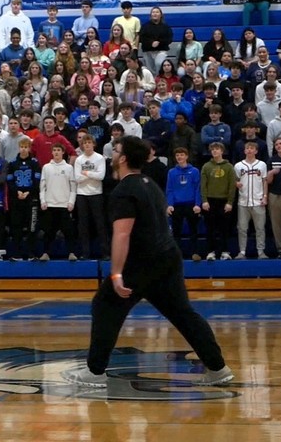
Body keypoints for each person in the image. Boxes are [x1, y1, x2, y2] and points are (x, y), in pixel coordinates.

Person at [64, 135, 233, 388]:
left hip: (141, 261)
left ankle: (95, 372)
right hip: (167, 257)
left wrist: (117, 274)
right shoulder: (150, 184)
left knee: (104, 305)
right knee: (183, 314)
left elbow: (123, 234)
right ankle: (218, 369)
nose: (113, 155)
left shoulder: (124, 191)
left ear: (122, 159)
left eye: (116, 151)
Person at [39, 143, 76, 261]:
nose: (56, 152)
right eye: (54, 150)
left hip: (64, 205)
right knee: (48, 232)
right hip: (50, 204)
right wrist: (43, 200)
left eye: (58, 150)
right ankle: (46, 253)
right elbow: (42, 186)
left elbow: (73, 187)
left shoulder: (69, 168)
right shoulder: (46, 167)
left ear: (63, 152)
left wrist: (71, 202)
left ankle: (71, 253)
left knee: (68, 231)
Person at [74, 135, 108, 260]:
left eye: (89, 142)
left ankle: (105, 252)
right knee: (83, 225)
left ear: (94, 144)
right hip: (82, 194)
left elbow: (101, 176)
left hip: (96, 194)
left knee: (100, 224)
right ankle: (85, 253)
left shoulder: (99, 158)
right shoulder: (79, 160)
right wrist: (92, 175)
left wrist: (86, 173)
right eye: (85, 143)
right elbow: (77, 178)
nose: (87, 145)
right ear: (82, 145)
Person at [201, 142, 236, 261]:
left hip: (224, 201)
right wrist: (204, 200)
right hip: (210, 201)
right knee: (210, 228)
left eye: (217, 149)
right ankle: (211, 252)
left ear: (222, 151)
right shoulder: (206, 166)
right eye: (213, 149)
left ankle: (225, 251)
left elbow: (232, 186)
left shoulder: (229, 167)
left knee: (224, 229)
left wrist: (230, 202)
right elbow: (203, 185)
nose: (215, 151)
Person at [166, 148, 203, 260]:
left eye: (182, 155)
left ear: (186, 156)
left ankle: (195, 253)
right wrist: (169, 204)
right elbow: (169, 189)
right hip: (177, 205)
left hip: (191, 204)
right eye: (177, 155)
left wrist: (197, 204)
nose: (179, 157)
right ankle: (177, 255)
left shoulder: (195, 171)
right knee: (176, 232)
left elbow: (198, 188)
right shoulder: (172, 172)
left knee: (193, 230)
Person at [235, 141, 268, 260]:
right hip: (243, 201)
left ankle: (261, 252)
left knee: (260, 228)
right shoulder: (238, 165)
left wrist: (265, 197)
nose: (249, 150)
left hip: (258, 201)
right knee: (242, 228)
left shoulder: (262, 165)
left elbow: (265, 181)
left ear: (256, 151)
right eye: (247, 148)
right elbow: (235, 180)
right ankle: (242, 252)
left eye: (252, 148)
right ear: (244, 151)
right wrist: (236, 184)